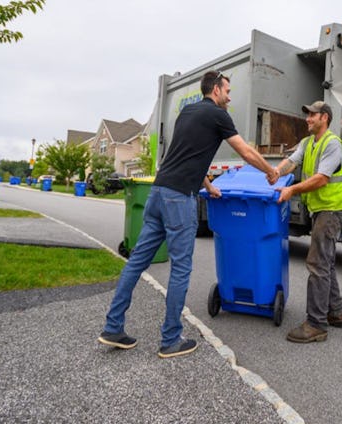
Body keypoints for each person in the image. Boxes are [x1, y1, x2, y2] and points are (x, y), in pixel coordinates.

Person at [98, 70, 279, 358]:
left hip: (158, 193)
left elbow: (186, 155)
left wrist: (208, 185)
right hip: (179, 197)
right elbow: (245, 151)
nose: (230, 97)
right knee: (181, 268)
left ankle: (112, 327)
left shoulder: (186, 112)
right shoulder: (219, 116)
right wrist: (271, 171)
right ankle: (171, 340)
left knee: (136, 262)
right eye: (228, 91)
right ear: (216, 90)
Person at [275, 101, 342, 343]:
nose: (307, 119)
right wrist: (275, 172)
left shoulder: (332, 144)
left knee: (317, 263)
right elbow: (291, 162)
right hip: (319, 209)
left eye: (312, 115)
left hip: (331, 210)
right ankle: (336, 312)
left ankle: (316, 324)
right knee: (326, 262)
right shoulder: (308, 143)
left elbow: (321, 179)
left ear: (324, 118)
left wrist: (291, 190)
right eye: (307, 114)